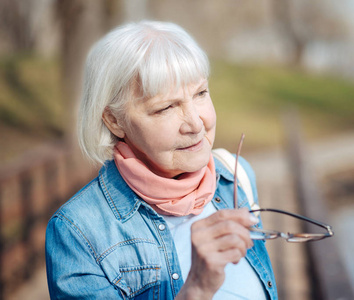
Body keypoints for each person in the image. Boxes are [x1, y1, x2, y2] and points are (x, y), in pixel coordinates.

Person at [45, 20, 277, 299]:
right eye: (166, 107)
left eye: (200, 93)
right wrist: (197, 289)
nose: (195, 124)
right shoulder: (77, 233)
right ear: (114, 121)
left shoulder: (236, 176)